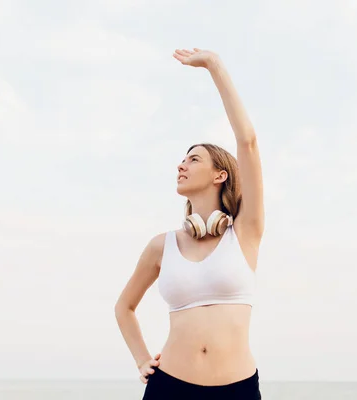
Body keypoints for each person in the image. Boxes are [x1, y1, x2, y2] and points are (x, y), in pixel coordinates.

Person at [114, 48, 265, 399]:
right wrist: (141, 359)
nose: (181, 165)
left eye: (194, 159)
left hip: (237, 390)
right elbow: (124, 307)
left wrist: (214, 66)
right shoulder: (161, 246)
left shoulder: (245, 232)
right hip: (169, 387)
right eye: (182, 159)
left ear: (220, 175)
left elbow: (249, 142)